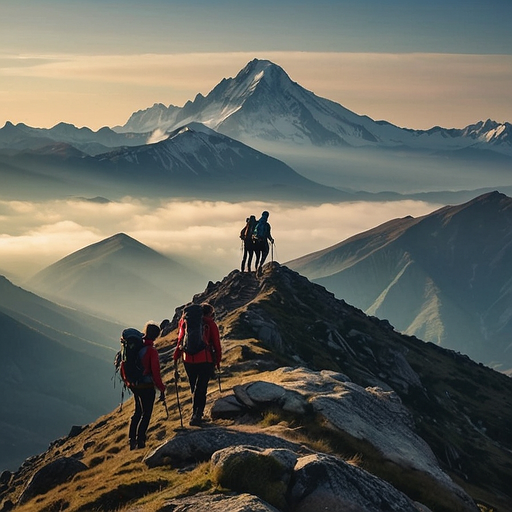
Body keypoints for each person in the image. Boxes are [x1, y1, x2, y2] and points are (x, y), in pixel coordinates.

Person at [173, 303, 222, 426]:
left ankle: (194, 414)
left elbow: (180, 340)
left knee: (194, 387)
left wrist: (176, 357)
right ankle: (197, 415)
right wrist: (217, 362)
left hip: (188, 359)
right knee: (202, 388)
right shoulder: (210, 324)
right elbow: (217, 345)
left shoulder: (185, 322)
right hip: (204, 359)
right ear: (209, 313)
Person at [122, 322, 165, 450]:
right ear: (157, 335)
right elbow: (156, 373)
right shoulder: (151, 350)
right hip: (146, 386)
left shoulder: (136, 345)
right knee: (146, 413)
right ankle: (141, 441)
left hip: (134, 385)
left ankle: (132, 439)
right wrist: (162, 389)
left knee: (138, 412)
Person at [253, 210, 274, 275]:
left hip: (256, 241)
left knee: (257, 256)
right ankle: (260, 266)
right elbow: (268, 234)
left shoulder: (256, 223)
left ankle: (256, 268)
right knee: (265, 252)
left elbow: (253, 233)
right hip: (264, 241)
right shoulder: (267, 225)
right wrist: (271, 240)